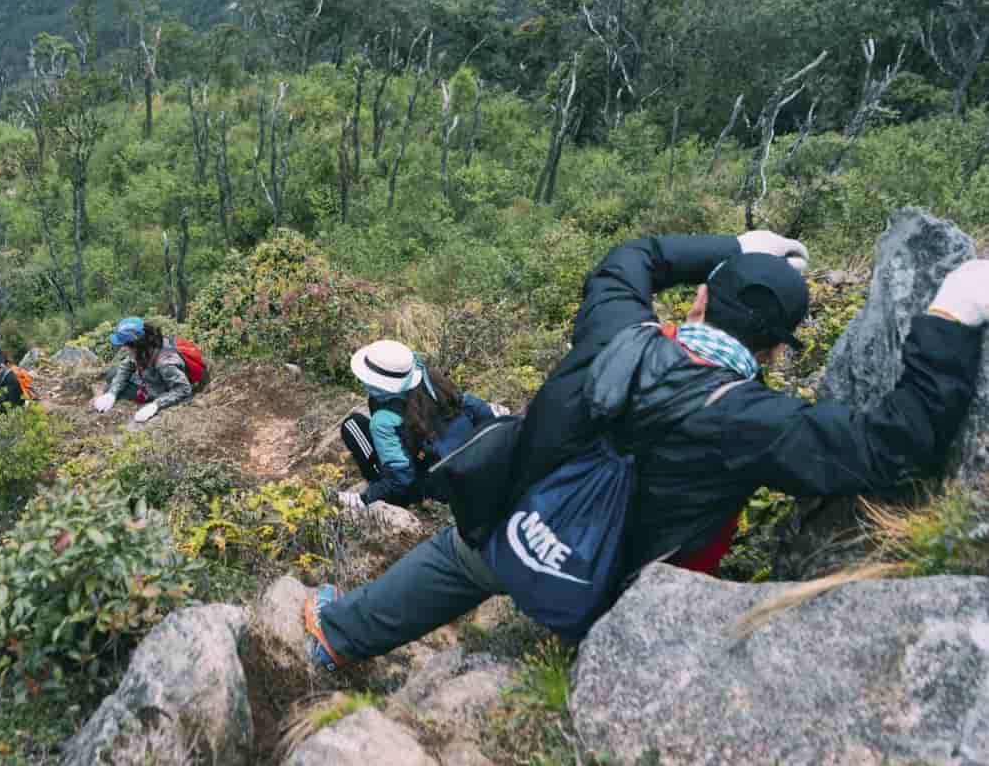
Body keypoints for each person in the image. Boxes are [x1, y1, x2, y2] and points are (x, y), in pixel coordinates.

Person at [304, 230, 987, 672]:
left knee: (460, 555)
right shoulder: (761, 422)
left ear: (696, 301)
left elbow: (629, 259)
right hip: (618, 593)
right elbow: (896, 443)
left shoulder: (613, 327)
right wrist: (950, 315)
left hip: (511, 529)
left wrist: (735, 242)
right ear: (778, 350)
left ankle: (338, 630)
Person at [340, 339, 505, 509]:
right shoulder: (432, 380)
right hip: (464, 462)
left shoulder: (383, 420)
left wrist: (366, 498)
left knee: (353, 425)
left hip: (430, 486)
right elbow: (474, 407)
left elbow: (402, 480)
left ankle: (380, 484)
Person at [92, 317, 194, 424]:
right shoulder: (147, 343)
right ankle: (113, 393)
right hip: (152, 376)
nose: (123, 348)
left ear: (135, 345)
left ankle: (149, 396)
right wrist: (112, 394)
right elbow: (127, 365)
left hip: (161, 388)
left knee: (114, 386)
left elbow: (184, 388)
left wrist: (156, 405)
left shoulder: (165, 363)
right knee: (112, 375)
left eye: (125, 345)